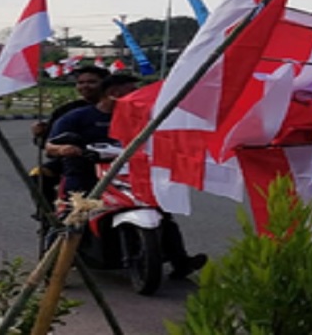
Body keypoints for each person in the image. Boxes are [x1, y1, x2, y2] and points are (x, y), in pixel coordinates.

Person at [46, 73, 206, 278]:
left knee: (161, 212)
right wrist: (65, 149)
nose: (138, 96)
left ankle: (180, 261)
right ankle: (52, 266)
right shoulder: (77, 117)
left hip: (130, 172)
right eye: (132, 92)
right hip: (84, 173)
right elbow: (50, 146)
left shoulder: (140, 117)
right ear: (113, 94)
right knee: (70, 216)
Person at [30, 66, 110, 201]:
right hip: (76, 161)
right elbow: (48, 145)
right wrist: (40, 134)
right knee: (38, 175)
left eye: (91, 82)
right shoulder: (67, 111)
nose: (85, 86)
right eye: (81, 82)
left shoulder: (124, 109)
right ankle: (50, 215)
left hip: (118, 160)